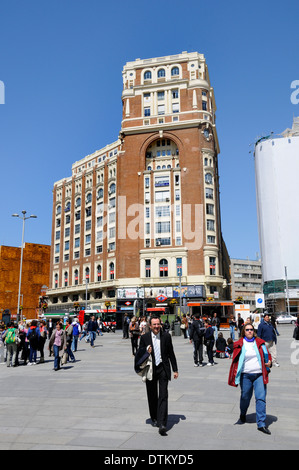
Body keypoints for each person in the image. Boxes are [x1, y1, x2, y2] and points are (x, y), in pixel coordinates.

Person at [138, 315, 178, 436]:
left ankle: (162, 423)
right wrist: (146, 351)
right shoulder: (145, 338)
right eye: (154, 324)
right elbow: (139, 354)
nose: (156, 327)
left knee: (163, 395)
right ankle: (154, 417)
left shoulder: (166, 336)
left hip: (163, 369)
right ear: (150, 326)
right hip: (150, 369)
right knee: (152, 395)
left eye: (158, 324)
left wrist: (175, 369)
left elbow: (171, 353)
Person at [228, 324, 272, 434]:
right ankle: (243, 413)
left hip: (259, 374)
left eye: (251, 329)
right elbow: (228, 349)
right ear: (244, 331)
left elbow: (268, 354)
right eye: (247, 330)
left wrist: (269, 362)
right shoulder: (239, 344)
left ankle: (261, 424)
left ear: (254, 331)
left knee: (261, 398)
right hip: (245, 375)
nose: (249, 331)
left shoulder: (259, 343)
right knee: (245, 397)